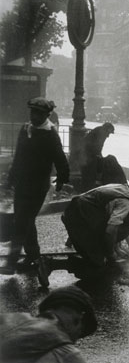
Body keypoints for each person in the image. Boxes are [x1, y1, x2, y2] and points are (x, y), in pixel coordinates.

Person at [37, 181, 129, 286]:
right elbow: (110, 231)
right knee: (98, 267)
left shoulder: (122, 188)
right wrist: (110, 255)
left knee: (99, 256)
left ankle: (90, 257)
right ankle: (51, 263)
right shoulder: (126, 202)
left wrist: (117, 249)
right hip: (80, 219)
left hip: (78, 214)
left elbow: (108, 219)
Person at [0, 97, 69, 276]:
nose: (34, 116)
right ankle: (33, 256)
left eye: (39, 113)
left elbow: (60, 158)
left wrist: (62, 179)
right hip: (22, 183)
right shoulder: (26, 129)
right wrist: (10, 180)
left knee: (21, 221)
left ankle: (11, 262)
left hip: (38, 186)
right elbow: (19, 156)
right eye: (33, 112)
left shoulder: (50, 133)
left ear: (47, 115)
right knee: (26, 220)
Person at [0, 285, 97, 363]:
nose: (74, 341)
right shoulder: (67, 355)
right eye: (79, 333)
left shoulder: (9, 319)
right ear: (79, 318)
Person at [80, 122, 115, 192]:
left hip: (85, 154)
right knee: (90, 174)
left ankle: (84, 189)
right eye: (109, 132)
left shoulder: (99, 129)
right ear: (107, 129)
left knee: (86, 174)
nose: (108, 135)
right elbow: (98, 146)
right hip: (89, 155)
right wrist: (99, 156)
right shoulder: (102, 133)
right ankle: (88, 191)